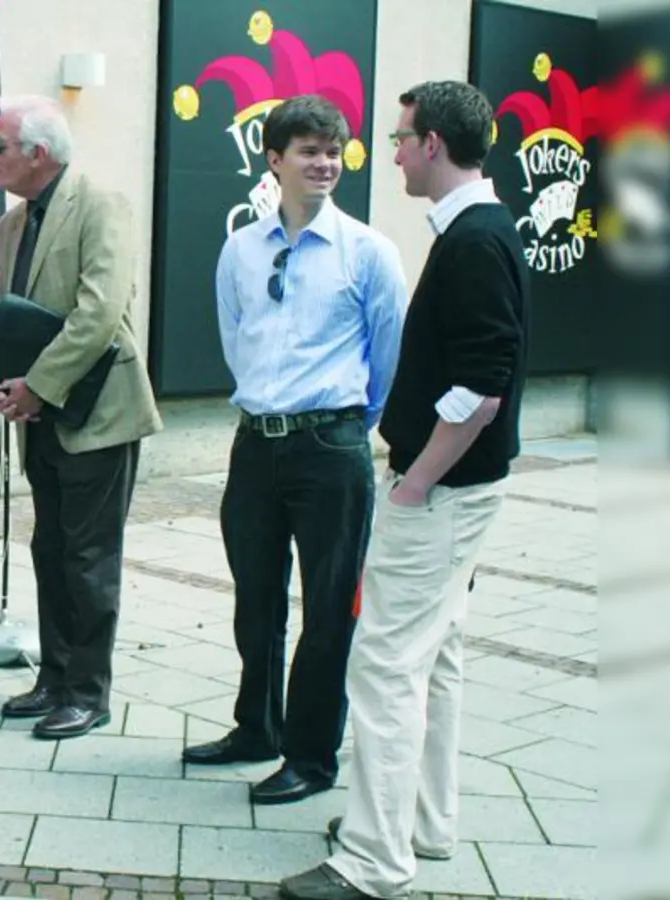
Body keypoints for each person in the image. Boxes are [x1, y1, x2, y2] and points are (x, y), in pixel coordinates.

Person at [279, 80, 529, 900]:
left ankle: (373, 860)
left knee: (385, 665)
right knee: (438, 657)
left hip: (443, 494)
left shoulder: (475, 240)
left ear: (432, 146)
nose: (388, 152)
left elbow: (483, 387)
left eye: (400, 137)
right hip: (462, 491)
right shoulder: (477, 230)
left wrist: (416, 482)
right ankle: (422, 821)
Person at [183, 94, 408, 806]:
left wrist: (346, 424)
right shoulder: (241, 249)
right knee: (255, 600)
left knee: (328, 609)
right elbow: (233, 337)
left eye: (334, 151)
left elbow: (388, 356)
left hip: (330, 447)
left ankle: (312, 756)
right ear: (273, 160)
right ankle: (258, 727)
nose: (325, 163)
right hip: (256, 446)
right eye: (309, 151)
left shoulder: (368, 252)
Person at [0, 94, 164, 740]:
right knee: (50, 549)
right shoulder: (13, 223)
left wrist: (37, 384)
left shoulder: (100, 204)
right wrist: (5, 381)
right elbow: (15, 316)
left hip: (99, 414)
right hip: (44, 418)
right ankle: (55, 678)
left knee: (89, 559)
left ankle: (89, 692)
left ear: (38, 153)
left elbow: (99, 313)